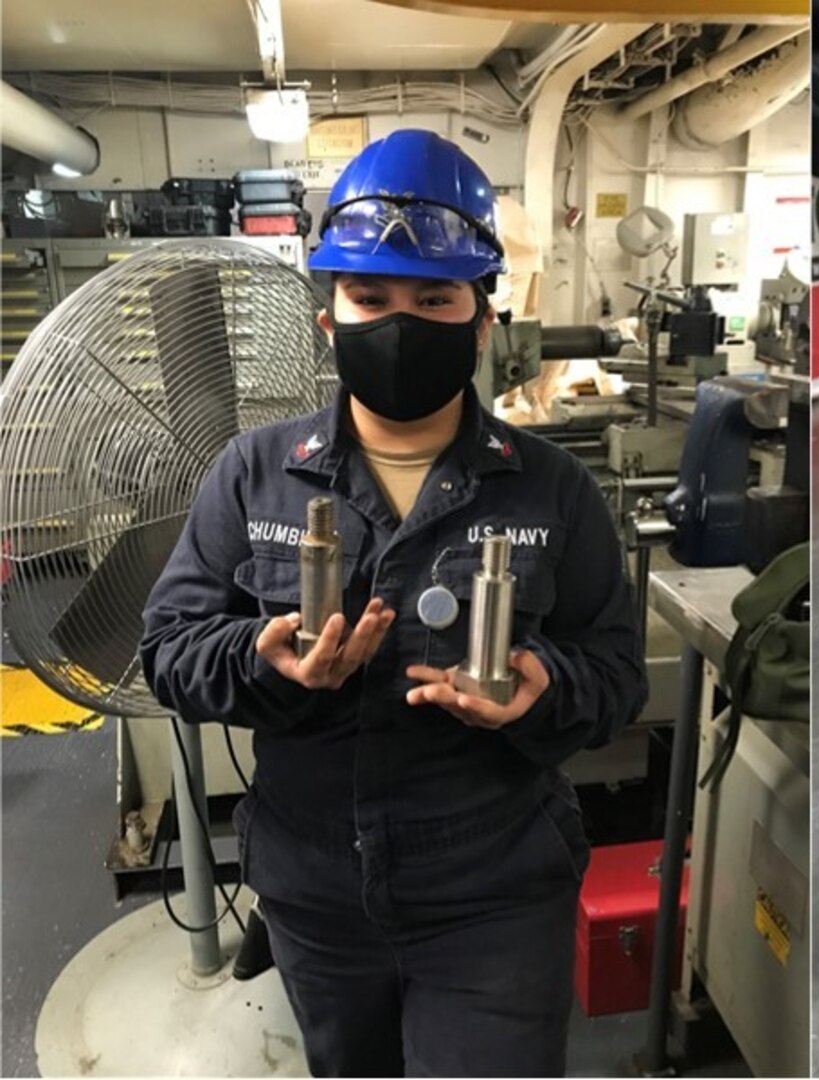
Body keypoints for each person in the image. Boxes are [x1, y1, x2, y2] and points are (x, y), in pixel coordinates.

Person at [140, 128, 647, 1077]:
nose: (399, 322)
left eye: (433, 298)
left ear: (481, 318)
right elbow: (169, 646)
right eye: (370, 298)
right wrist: (263, 660)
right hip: (315, 889)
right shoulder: (253, 475)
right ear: (328, 317)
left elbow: (616, 673)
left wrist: (545, 691)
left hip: (494, 890)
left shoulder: (550, 489)